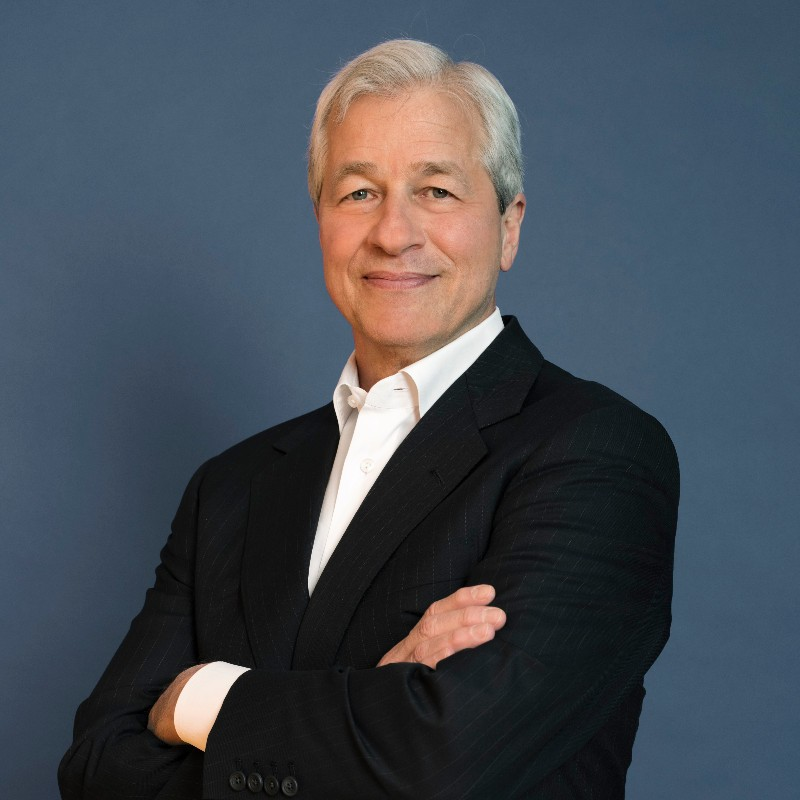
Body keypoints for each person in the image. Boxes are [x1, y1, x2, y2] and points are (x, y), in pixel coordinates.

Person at [59, 39, 679, 799]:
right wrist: (376, 702)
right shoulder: (230, 488)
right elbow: (95, 769)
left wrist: (198, 696)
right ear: (320, 220)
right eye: (358, 193)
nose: (392, 232)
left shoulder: (598, 454)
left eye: (437, 191)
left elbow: (443, 766)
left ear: (510, 225)